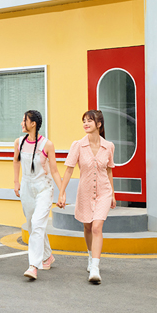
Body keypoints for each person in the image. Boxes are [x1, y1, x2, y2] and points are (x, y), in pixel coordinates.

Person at [57, 110, 116, 284]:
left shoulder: (109, 146)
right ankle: (91, 256)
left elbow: (109, 170)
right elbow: (69, 170)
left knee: (97, 227)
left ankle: (95, 268)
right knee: (88, 227)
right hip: (84, 192)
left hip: (104, 192)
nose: (85, 124)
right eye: (84, 121)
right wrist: (62, 192)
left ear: (99, 124)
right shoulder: (78, 145)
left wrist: (113, 194)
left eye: (89, 120)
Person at [14, 110, 64, 280]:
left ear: (33, 123)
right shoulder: (19, 142)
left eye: (24, 120)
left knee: (37, 223)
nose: (22, 123)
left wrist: (62, 192)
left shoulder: (47, 145)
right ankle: (47, 256)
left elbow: (55, 171)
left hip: (44, 188)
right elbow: (16, 161)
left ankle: (33, 266)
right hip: (27, 187)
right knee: (32, 224)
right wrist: (16, 182)